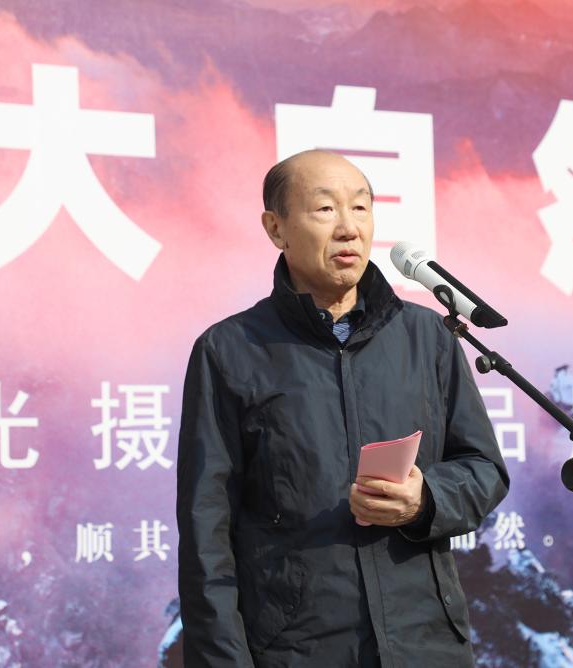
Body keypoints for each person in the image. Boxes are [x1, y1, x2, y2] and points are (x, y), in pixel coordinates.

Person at [176, 150, 509, 667]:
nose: (349, 229)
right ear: (276, 228)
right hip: (297, 647)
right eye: (325, 209)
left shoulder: (428, 336)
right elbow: (206, 529)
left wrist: (425, 499)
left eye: (360, 208)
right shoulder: (230, 350)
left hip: (424, 644)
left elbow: (484, 469)